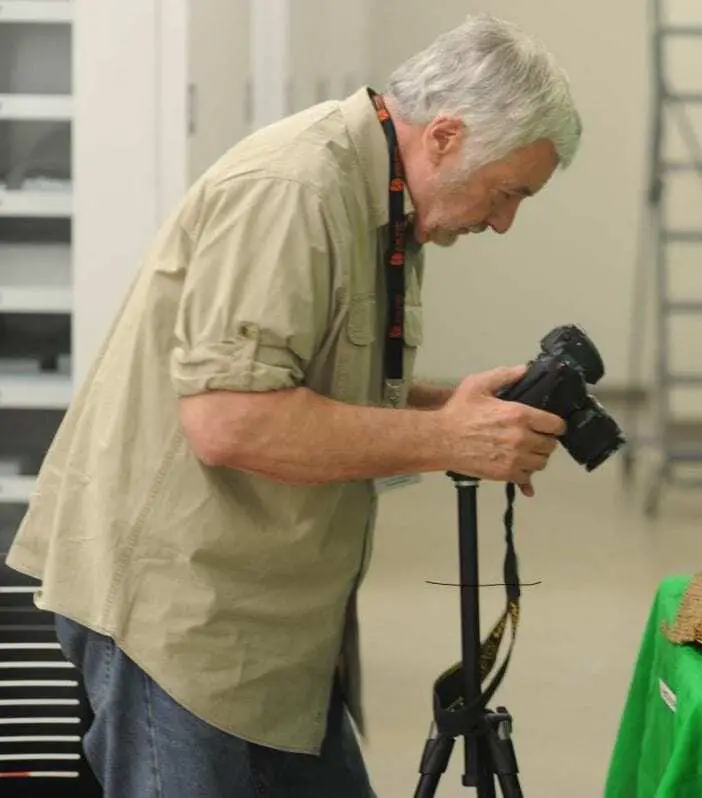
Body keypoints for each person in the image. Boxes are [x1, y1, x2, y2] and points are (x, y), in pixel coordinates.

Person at [4, 13, 581, 797]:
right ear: (445, 136)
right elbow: (230, 419)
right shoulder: (293, 191)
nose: (504, 221)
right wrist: (447, 439)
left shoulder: (386, 200)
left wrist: (452, 409)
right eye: (507, 192)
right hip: (179, 622)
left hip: (269, 630)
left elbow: (313, 385)